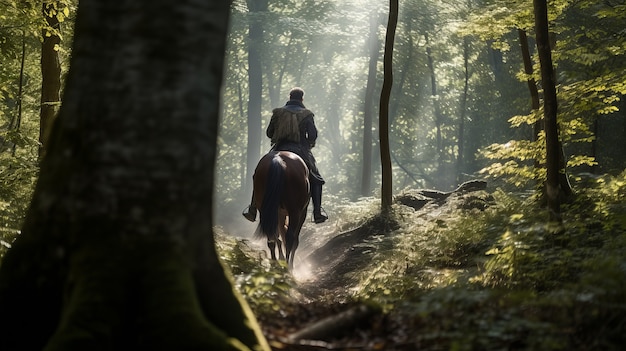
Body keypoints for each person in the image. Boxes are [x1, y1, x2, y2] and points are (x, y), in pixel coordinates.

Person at [243, 87, 328, 224]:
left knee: (258, 174)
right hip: (301, 150)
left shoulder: (278, 113)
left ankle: (252, 209)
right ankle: (318, 211)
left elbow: (269, 133)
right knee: (316, 178)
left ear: (289, 97)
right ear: (302, 99)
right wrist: (309, 143)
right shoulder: (307, 114)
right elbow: (313, 135)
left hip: (278, 148)